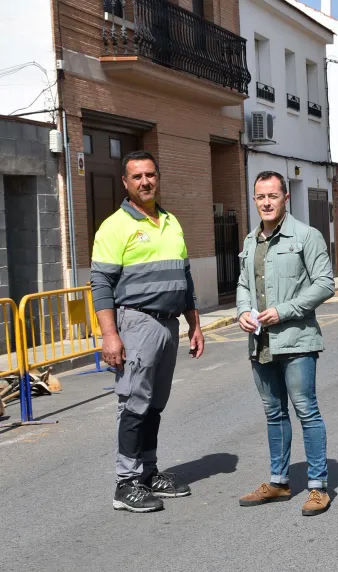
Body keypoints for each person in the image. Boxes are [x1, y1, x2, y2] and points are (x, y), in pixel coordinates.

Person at [91, 150, 204, 513]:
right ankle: (126, 483)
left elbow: (184, 277)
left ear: (158, 177)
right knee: (134, 405)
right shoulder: (114, 226)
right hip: (137, 322)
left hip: (169, 324)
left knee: (155, 404)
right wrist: (110, 335)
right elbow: (101, 284)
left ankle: (149, 472)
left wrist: (194, 323)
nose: (145, 182)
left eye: (150, 175)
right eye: (137, 176)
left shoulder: (171, 221)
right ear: (125, 183)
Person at [236, 171, 335, 516]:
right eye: (260, 197)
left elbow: (324, 284)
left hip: (297, 341)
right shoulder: (250, 242)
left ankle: (318, 486)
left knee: (306, 411)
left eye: (273, 196)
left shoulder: (306, 236)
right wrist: (241, 313)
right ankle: (279, 482)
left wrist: (284, 311)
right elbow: (243, 285)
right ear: (254, 200)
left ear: (285, 199)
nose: (266, 202)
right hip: (260, 343)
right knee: (273, 413)